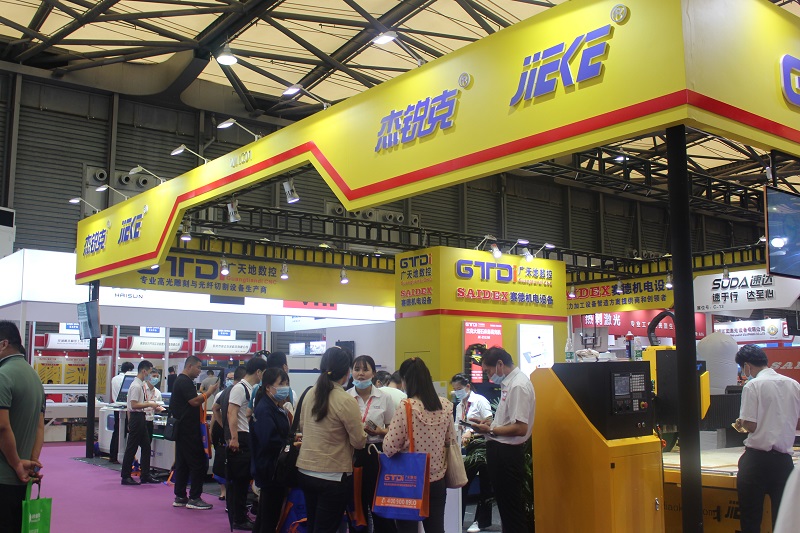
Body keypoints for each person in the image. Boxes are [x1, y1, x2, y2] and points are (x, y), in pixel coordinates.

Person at [297, 346, 366, 533]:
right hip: (332, 474)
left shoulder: (309, 393)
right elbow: (359, 441)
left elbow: (302, 427)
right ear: (346, 373)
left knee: (313, 524)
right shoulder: (345, 400)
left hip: (305, 470)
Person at [733, 344, 800, 533]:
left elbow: (751, 425)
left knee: (751, 519)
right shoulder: (793, 384)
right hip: (784, 463)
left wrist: (741, 422)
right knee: (784, 521)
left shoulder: (753, 385)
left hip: (757, 462)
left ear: (747, 366)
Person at [383, 358, 454, 533]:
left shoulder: (407, 406)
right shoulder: (445, 405)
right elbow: (450, 439)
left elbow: (390, 447)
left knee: (407, 530)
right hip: (437, 480)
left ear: (406, 380)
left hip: (410, 480)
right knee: (436, 529)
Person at [471, 347, 535, 533]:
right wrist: (490, 423)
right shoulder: (510, 384)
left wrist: (490, 429)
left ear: (500, 364)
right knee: (507, 511)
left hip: (507, 455)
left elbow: (520, 428)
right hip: (501, 452)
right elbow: (509, 421)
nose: (489, 376)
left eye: (488, 371)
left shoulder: (518, 386)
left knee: (512, 512)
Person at [0, 321, 44, 533]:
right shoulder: (35, 377)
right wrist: (32, 464)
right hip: (22, 478)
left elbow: (2, 427)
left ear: (3, 344)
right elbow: (39, 427)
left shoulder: (3, 375)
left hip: (4, 474)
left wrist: (17, 463)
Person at [348, 356, 397, 533]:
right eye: (356, 369)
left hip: (376, 454)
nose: (360, 374)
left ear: (374, 373)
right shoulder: (346, 397)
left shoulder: (384, 397)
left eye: (365, 369)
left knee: (379, 504)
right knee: (356, 505)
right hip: (352, 455)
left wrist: (379, 431)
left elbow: (393, 428)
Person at [170, 355, 219, 510]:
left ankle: (180, 496)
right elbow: (194, 401)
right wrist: (208, 393)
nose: (199, 371)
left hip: (184, 429)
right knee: (198, 463)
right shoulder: (184, 382)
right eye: (198, 367)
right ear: (189, 366)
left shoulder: (182, 381)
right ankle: (195, 497)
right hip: (189, 430)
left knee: (183, 463)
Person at [227, 357, 267, 530]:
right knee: (240, 481)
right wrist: (234, 438)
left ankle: (241, 515)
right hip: (241, 438)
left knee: (244, 481)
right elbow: (231, 412)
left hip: (249, 438)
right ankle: (239, 518)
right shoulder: (240, 388)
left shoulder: (252, 388)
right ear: (258, 372)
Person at [250, 367, 292, 533]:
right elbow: (269, 439)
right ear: (268, 387)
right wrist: (288, 444)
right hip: (270, 468)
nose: (285, 387)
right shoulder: (265, 409)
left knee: (264, 515)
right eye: (281, 384)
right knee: (270, 517)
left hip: (270, 467)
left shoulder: (274, 406)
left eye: (286, 383)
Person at [451, 373, 494, 533]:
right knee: (464, 483)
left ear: (468, 386)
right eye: (455, 389)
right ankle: (458, 518)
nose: (457, 392)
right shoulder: (459, 406)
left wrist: (471, 431)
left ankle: (480, 522)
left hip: (483, 445)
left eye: (459, 389)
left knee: (484, 484)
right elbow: (457, 426)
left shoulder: (480, 401)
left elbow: (489, 423)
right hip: (468, 447)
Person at [120, 360, 161, 485]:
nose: (150, 375)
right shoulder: (136, 386)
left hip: (141, 417)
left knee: (146, 446)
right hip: (136, 417)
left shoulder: (140, 384)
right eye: (149, 372)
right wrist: (149, 404)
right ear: (144, 371)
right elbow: (133, 405)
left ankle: (145, 474)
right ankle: (125, 476)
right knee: (132, 447)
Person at [211, 367, 244, 501]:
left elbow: (215, 409)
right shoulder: (236, 392)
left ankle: (230, 498)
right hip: (233, 436)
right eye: (228, 378)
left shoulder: (225, 392)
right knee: (231, 468)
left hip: (228, 434)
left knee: (229, 467)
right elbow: (217, 411)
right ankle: (229, 497)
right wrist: (223, 426)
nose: (229, 380)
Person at [109, 361, 134, 464]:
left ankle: (113, 455)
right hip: (124, 408)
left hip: (116, 407)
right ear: (129, 370)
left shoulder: (114, 378)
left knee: (117, 431)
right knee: (123, 432)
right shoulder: (126, 379)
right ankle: (120, 455)